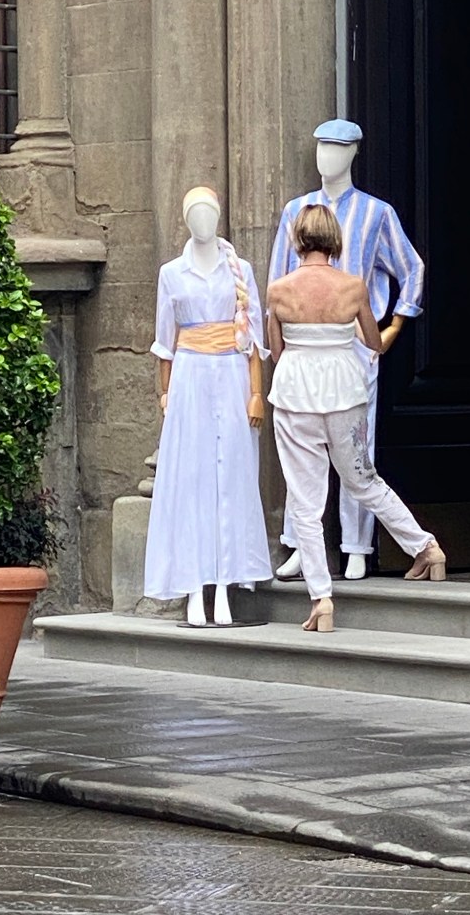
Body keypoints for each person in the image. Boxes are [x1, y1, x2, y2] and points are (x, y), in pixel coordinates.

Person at [267, 203, 445, 633]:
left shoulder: (279, 290)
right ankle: (426, 547)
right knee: (364, 480)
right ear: (335, 239)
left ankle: (321, 598)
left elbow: (276, 351)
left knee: (305, 501)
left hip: (295, 394)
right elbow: (373, 341)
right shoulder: (353, 287)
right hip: (344, 391)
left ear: (298, 239)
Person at [269, 120, 424, 581]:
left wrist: (395, 324)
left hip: (353, 345)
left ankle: (357, 544)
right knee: (303, 456)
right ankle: (301, 543)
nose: (326, 156)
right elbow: (278, 277)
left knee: (357, 452)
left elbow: (410, 267)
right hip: (304, 347)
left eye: (337, 148)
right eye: (321, 147)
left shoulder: (376, 213)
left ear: (354, 152)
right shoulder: (295, 210)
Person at [144, 186, 273, 626]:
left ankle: (225, 585)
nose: (203, 221)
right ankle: (194, 587)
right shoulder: (171, 273)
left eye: (209, 213)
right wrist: (165, 393)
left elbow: (252, 338)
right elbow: (165, 341)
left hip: (231, 374)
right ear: (185, 220)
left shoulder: (241, 270)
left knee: (232, 475)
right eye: (195, 214)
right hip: (191, 377)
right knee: (191, 477)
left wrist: (255, 393)